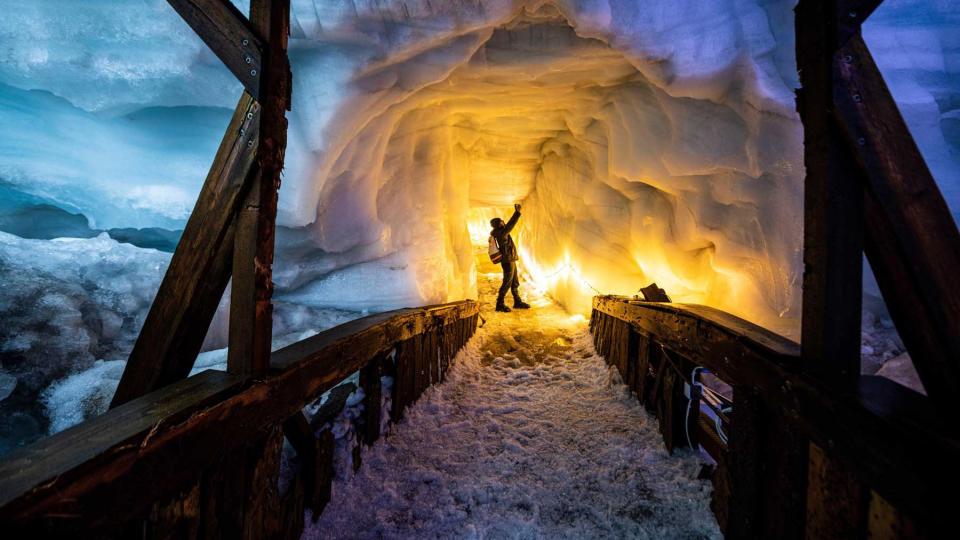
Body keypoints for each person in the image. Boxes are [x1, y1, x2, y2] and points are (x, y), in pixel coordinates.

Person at [490, 203, 531, 312]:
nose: (503, 221)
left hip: (510, 259)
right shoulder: (501, 233)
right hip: (507, 261)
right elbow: (510, 225)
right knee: (507, 282)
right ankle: (499, 304)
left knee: (514, 281)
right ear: (499, 224)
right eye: (501, 221)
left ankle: (517, 302)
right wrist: (517, 213)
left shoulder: (499, 232)